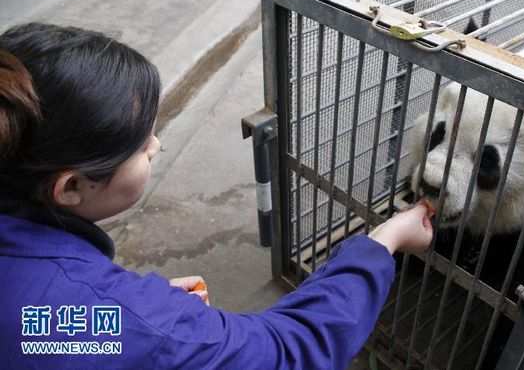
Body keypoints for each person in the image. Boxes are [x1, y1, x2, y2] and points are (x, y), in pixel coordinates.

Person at [0, 23, 434, 369]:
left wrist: (135, 308)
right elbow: (289, 352)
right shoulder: (105, 323)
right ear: (71, 186)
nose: (156, 147)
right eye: (142, 143)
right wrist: (383, 243)